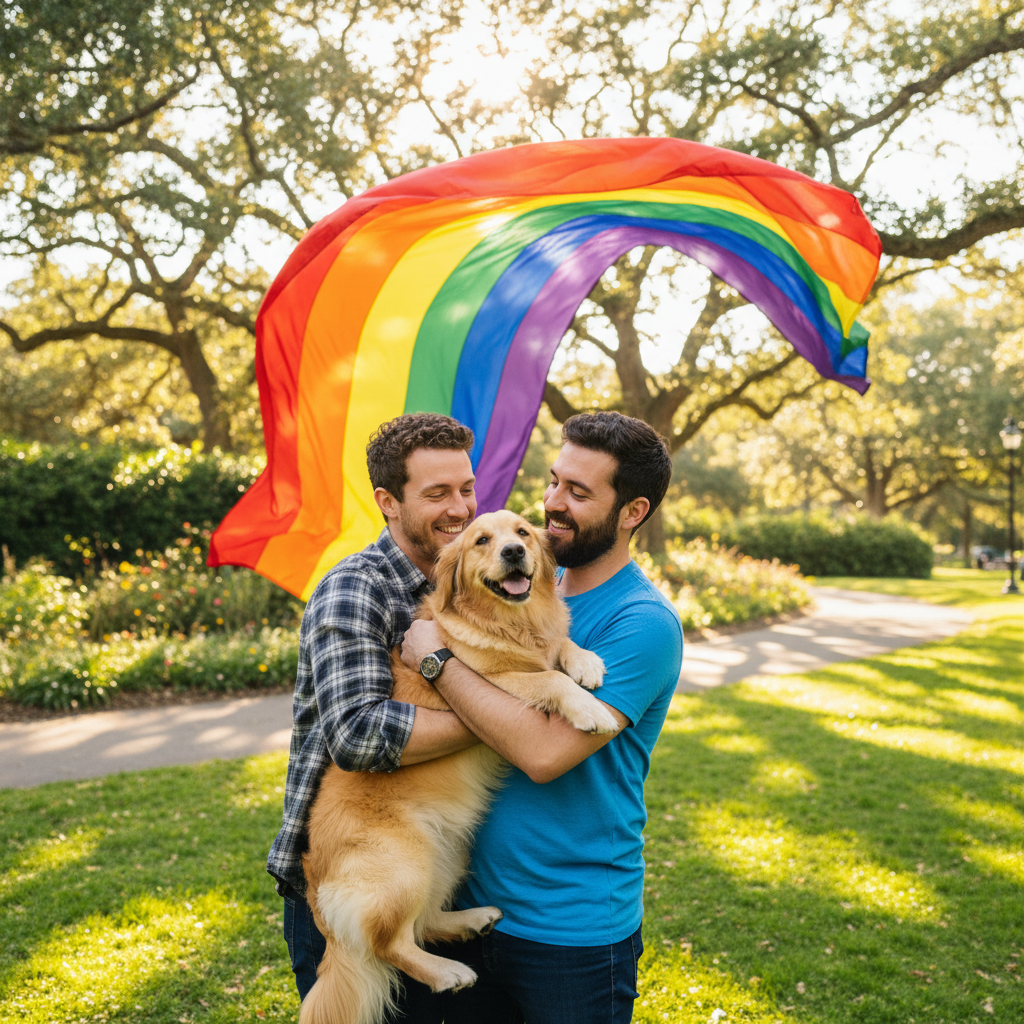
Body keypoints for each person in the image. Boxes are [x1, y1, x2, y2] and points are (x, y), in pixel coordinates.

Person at [401, 410, 683, 1024]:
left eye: (578, 493)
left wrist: (436, 661)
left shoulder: (643, 622)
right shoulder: (524, 580)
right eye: (554, 481)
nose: (553, 503)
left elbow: (544, 753)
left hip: (571, 930)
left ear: (632, 512)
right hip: (472, 906)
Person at [267, 412, 481, 1016]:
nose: (460, 509)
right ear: (388, 501)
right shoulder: (357, 588)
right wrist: (500, 720)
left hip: (416, 867)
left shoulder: (468, 577)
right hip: (354, 869)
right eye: (436, 494)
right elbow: (358, 736)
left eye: (466, 488)